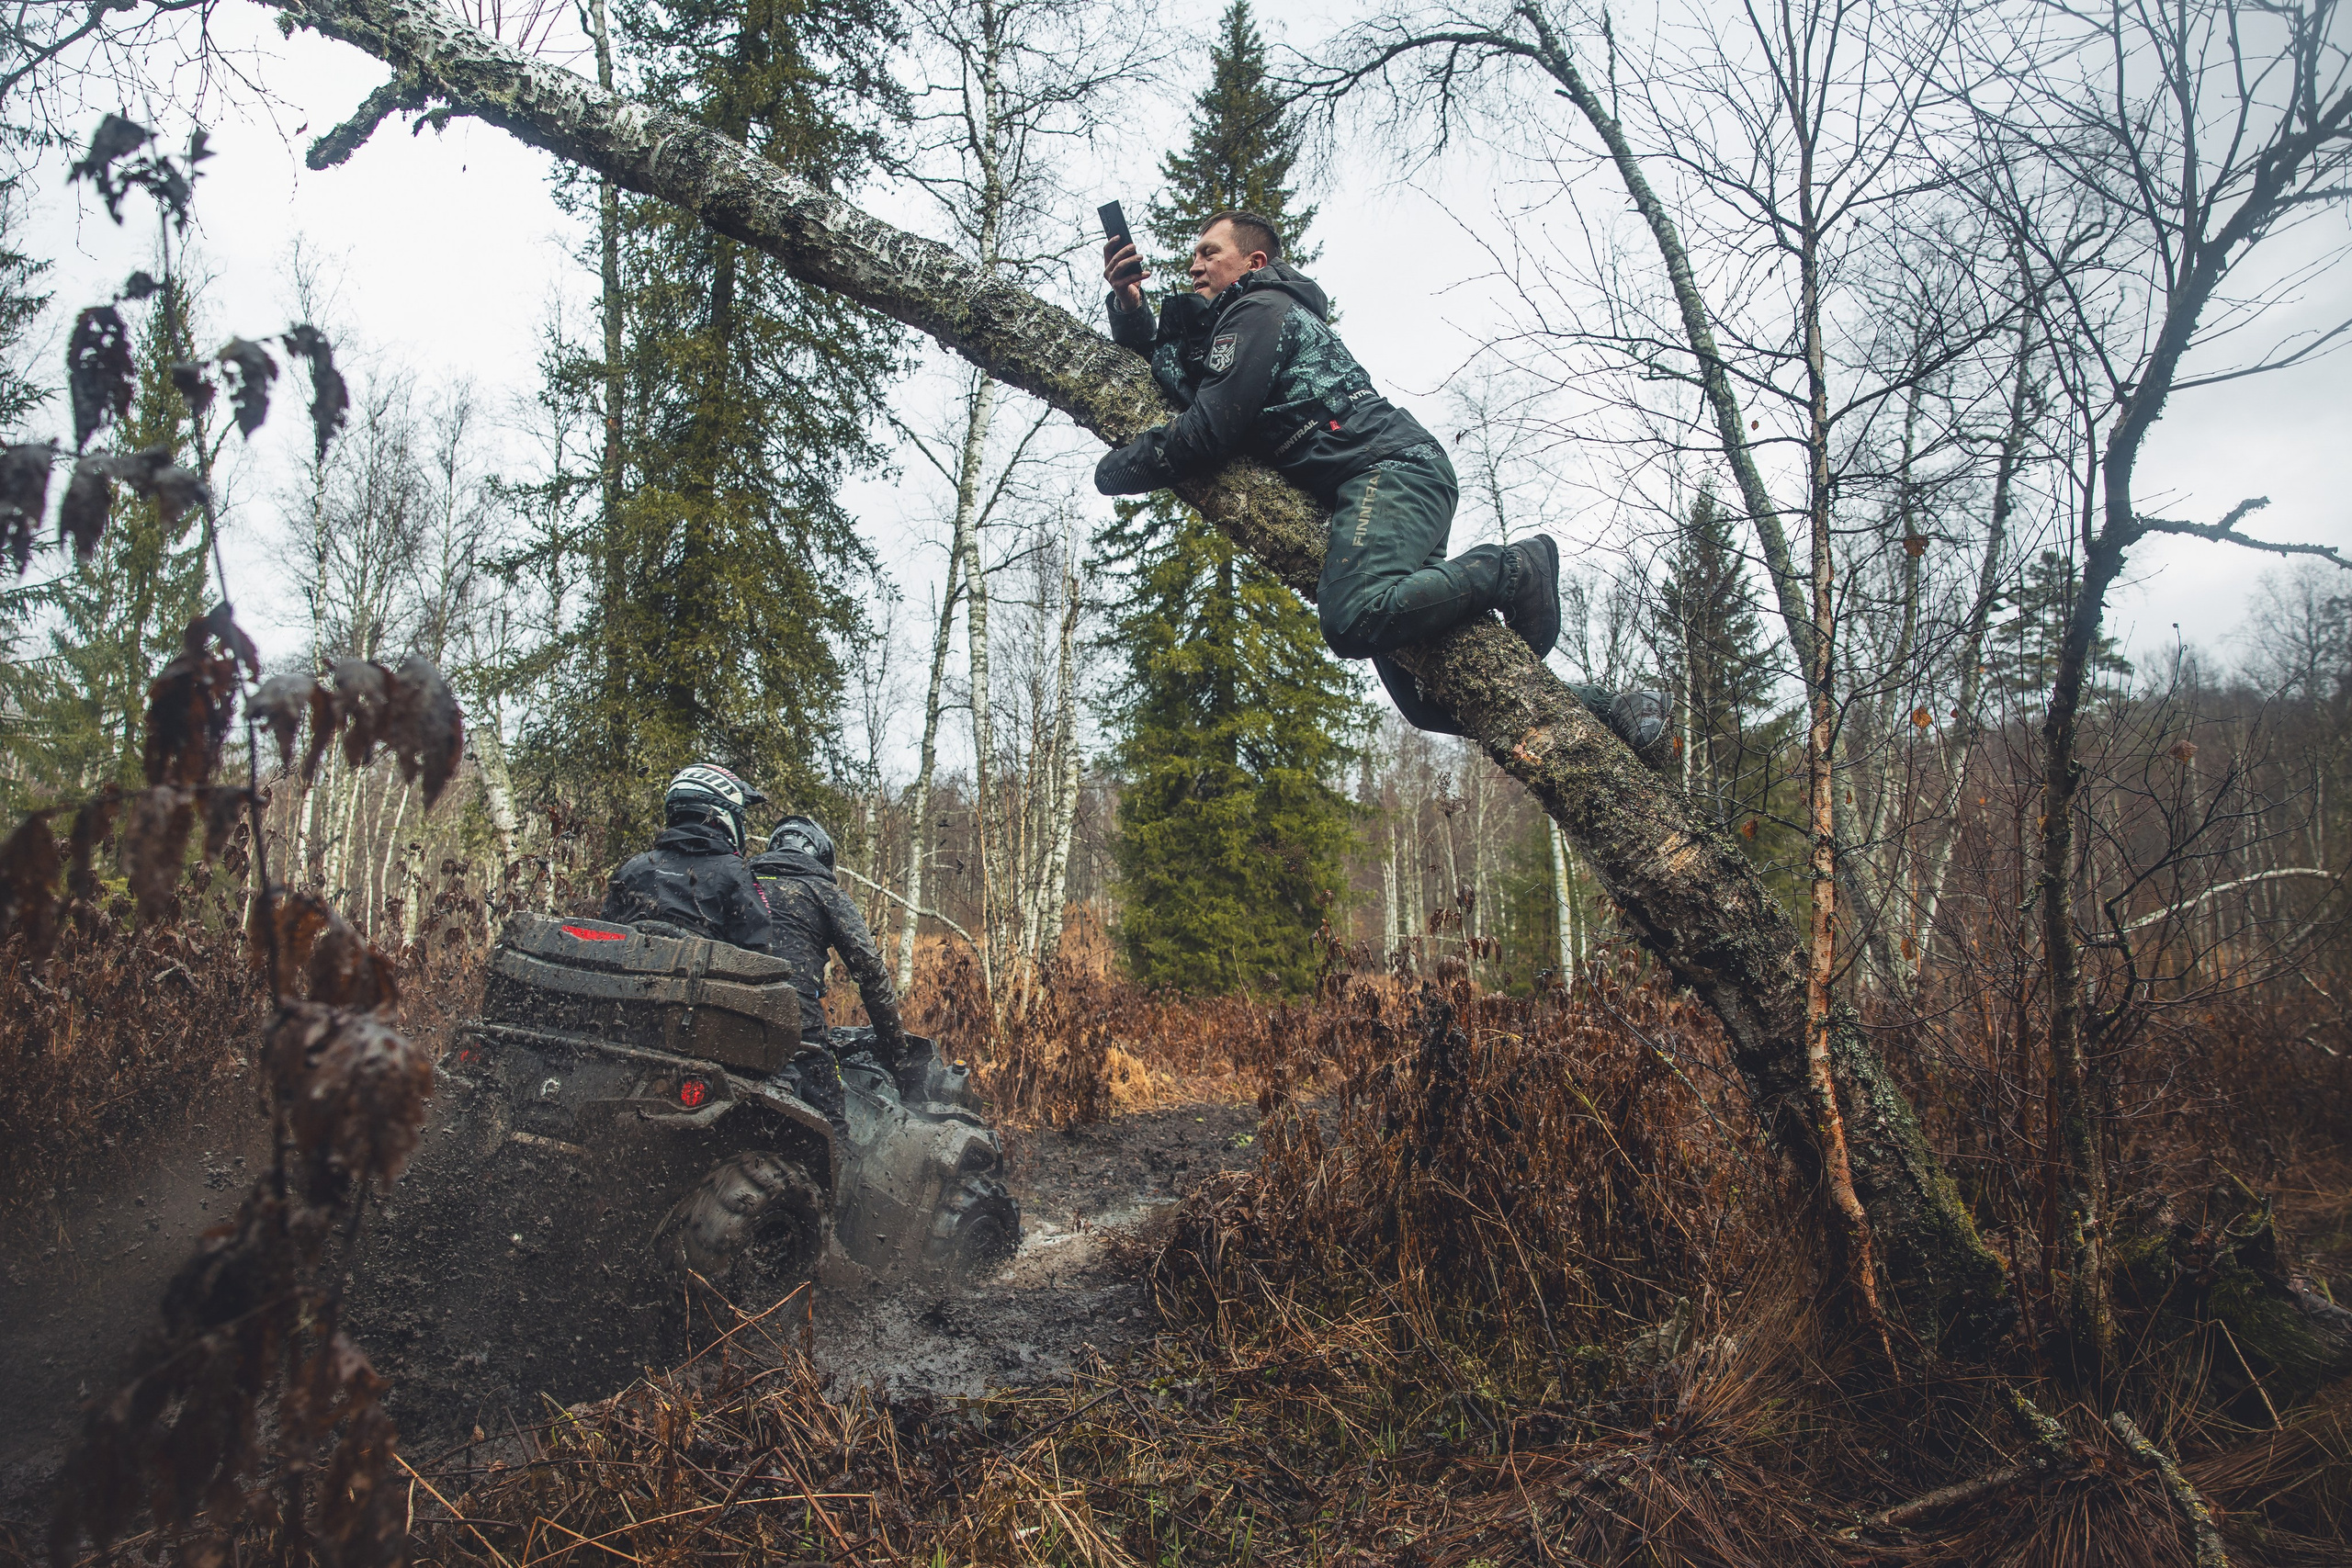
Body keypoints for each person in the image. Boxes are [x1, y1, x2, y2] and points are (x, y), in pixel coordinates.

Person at [1097, 210, 1666, 752]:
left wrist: (1116, 470)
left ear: (1253, 261)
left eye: (1209, 252)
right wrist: (1129, 303)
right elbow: (1165, 371)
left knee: (1352, 617)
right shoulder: (1220, 331)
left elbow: (1210, 430)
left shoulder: (1260, 309)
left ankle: (1516, 567)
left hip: (1389, 470)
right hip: (1367, 490)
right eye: (1193, 254)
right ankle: (1607, 714)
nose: (1194, 264)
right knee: (1426, 703)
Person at [745, 814, 907, 1138]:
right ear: (819, 855)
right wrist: (895, 1048)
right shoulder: (823, 890)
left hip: (724, 1018)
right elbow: (872, 974)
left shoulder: (736, 882)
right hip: (793, 1021)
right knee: (828, 1125)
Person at [599, 762, 775, 952]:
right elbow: (758, 945)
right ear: (722, 810)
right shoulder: (735, 871)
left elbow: (606, 933)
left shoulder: (635, 867)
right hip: (704, 976)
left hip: (629, 973)